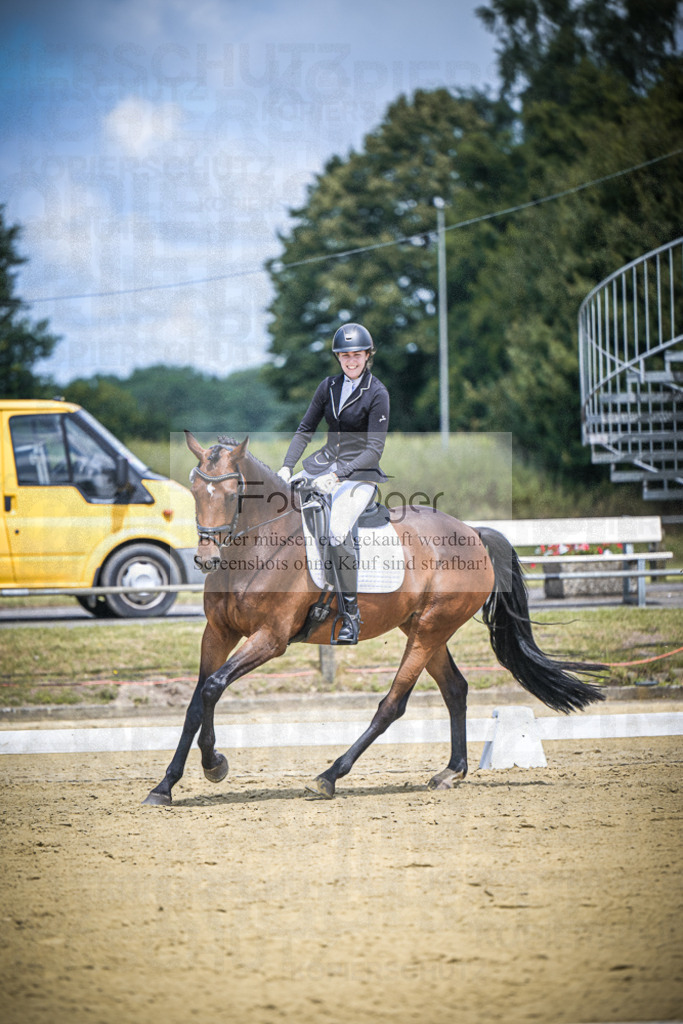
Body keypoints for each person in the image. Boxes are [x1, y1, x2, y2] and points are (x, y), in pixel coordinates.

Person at [277, 322, 390, 644]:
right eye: (344, 356)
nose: (351, 361)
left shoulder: (378, 393)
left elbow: (374, 450)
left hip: (360, 475)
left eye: (357, 355)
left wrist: (339, 476)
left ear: (368, 356)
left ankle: (350, 615)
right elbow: (305, 429)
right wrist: (287, 468)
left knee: (338, 530)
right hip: (322, 465)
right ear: (338, 358)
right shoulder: (328, 386)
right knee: (282, 506)